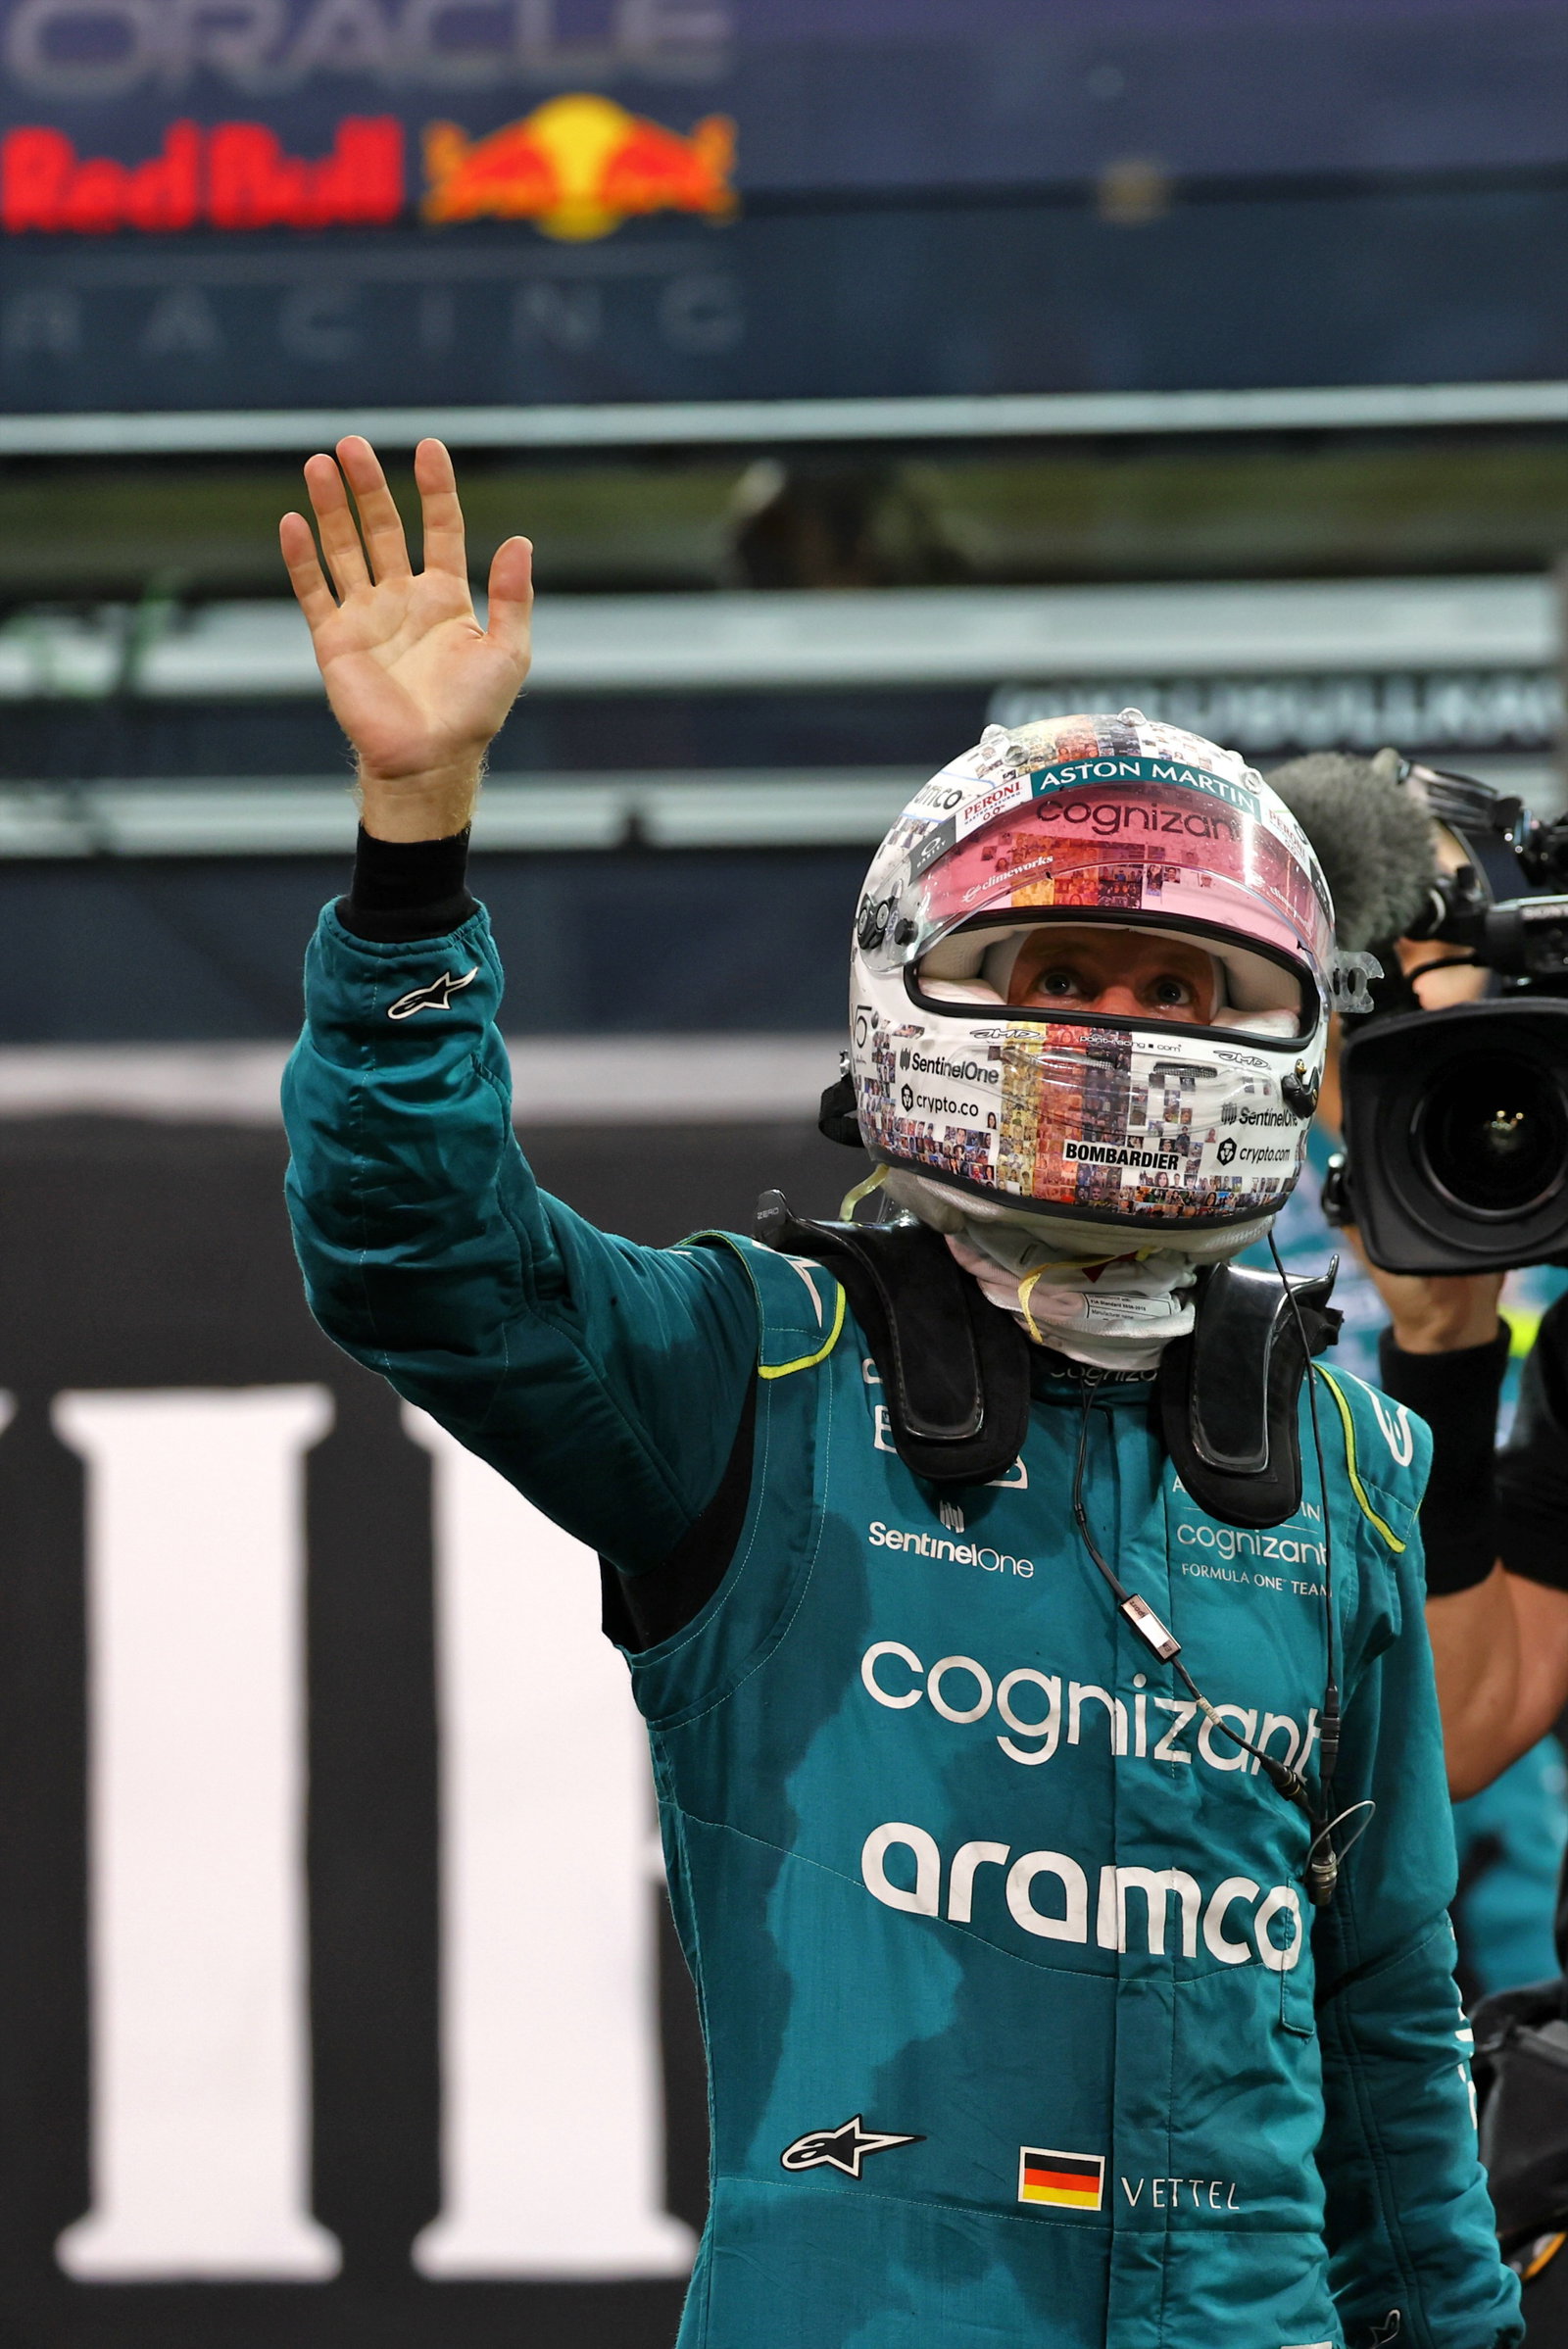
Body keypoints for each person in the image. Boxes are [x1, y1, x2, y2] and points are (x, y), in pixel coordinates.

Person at [279, 435, 1519, 2349]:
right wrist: (411, 835)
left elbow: (1388, 2025)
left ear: (1289, 1036)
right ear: (912, 991)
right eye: (1064, 968)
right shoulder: (758, 1372)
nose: (1117, 1030)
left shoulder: (1338, 1454)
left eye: (1180, 991)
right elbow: (414, 1247)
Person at [1246, 751, 1568, 1996]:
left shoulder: (1548, 1160)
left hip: (1498, 1786)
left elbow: (1479, 1732)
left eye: (1446, 932)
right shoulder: (1163, 1201)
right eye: (1368, 946)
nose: (1410, 985)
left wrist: (1452, 1343)